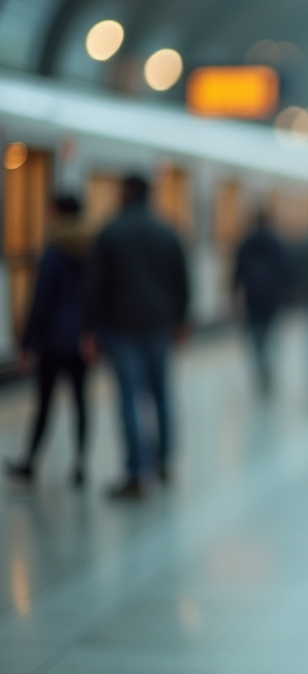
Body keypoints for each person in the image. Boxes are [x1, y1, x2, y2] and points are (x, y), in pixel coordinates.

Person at [83, 174, 189, 500]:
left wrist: (89, 329)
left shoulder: (109, 232)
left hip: (122, 327)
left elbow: (95, 285)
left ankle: (135, 474)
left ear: (124, 193)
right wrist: (181, 319)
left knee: (129, 399)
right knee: (161, 394)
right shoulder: (167, 231)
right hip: (158, 325)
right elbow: (182, 279)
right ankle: (163, 461)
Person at [5, 195, 91, 485]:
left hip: (54, 340)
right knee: (81, 402)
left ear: (57, 214)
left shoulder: (53, 251)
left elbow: (41, 301)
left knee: (44, 403)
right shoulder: (91, 249)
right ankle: (80, 465)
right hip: (82, 340)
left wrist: (27, 344)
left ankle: (29, 462)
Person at [233, 209, 292, 394]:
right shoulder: (276, 242)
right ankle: (269, 365)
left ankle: (260, 365)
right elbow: (284, 270)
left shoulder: (246, 242)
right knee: (271, 334)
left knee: (256, 335)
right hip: (272, 297)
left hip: (252, 297)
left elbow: (238, 271)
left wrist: (234, 295)